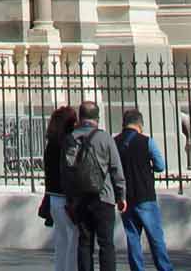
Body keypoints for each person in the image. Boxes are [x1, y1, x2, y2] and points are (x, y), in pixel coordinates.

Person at [62, 100, 127, 271]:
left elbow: (66, 173)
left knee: (84, 243)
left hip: (80, 199)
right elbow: (116, 169)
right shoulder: (105, 138)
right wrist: (121, 196)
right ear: (97, 118)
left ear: (80, 117)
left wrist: (70, 200)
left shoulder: (70, 139)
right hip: (104, 197)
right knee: (106, 243)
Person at [114, 107, 174, 271]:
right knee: (155, 238)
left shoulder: (115, 142)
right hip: (145, 195)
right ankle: (164, 268)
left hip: (125, 198)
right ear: (140, 125)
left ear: (124, 124)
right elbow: (161, 166)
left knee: (133, 238)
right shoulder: (147, 141)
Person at [43, 104, 80, 271]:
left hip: (53, 197)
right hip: (66, 198)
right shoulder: (68, 143)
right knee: (74, 240)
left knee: (61, 240)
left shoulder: (51, 144)